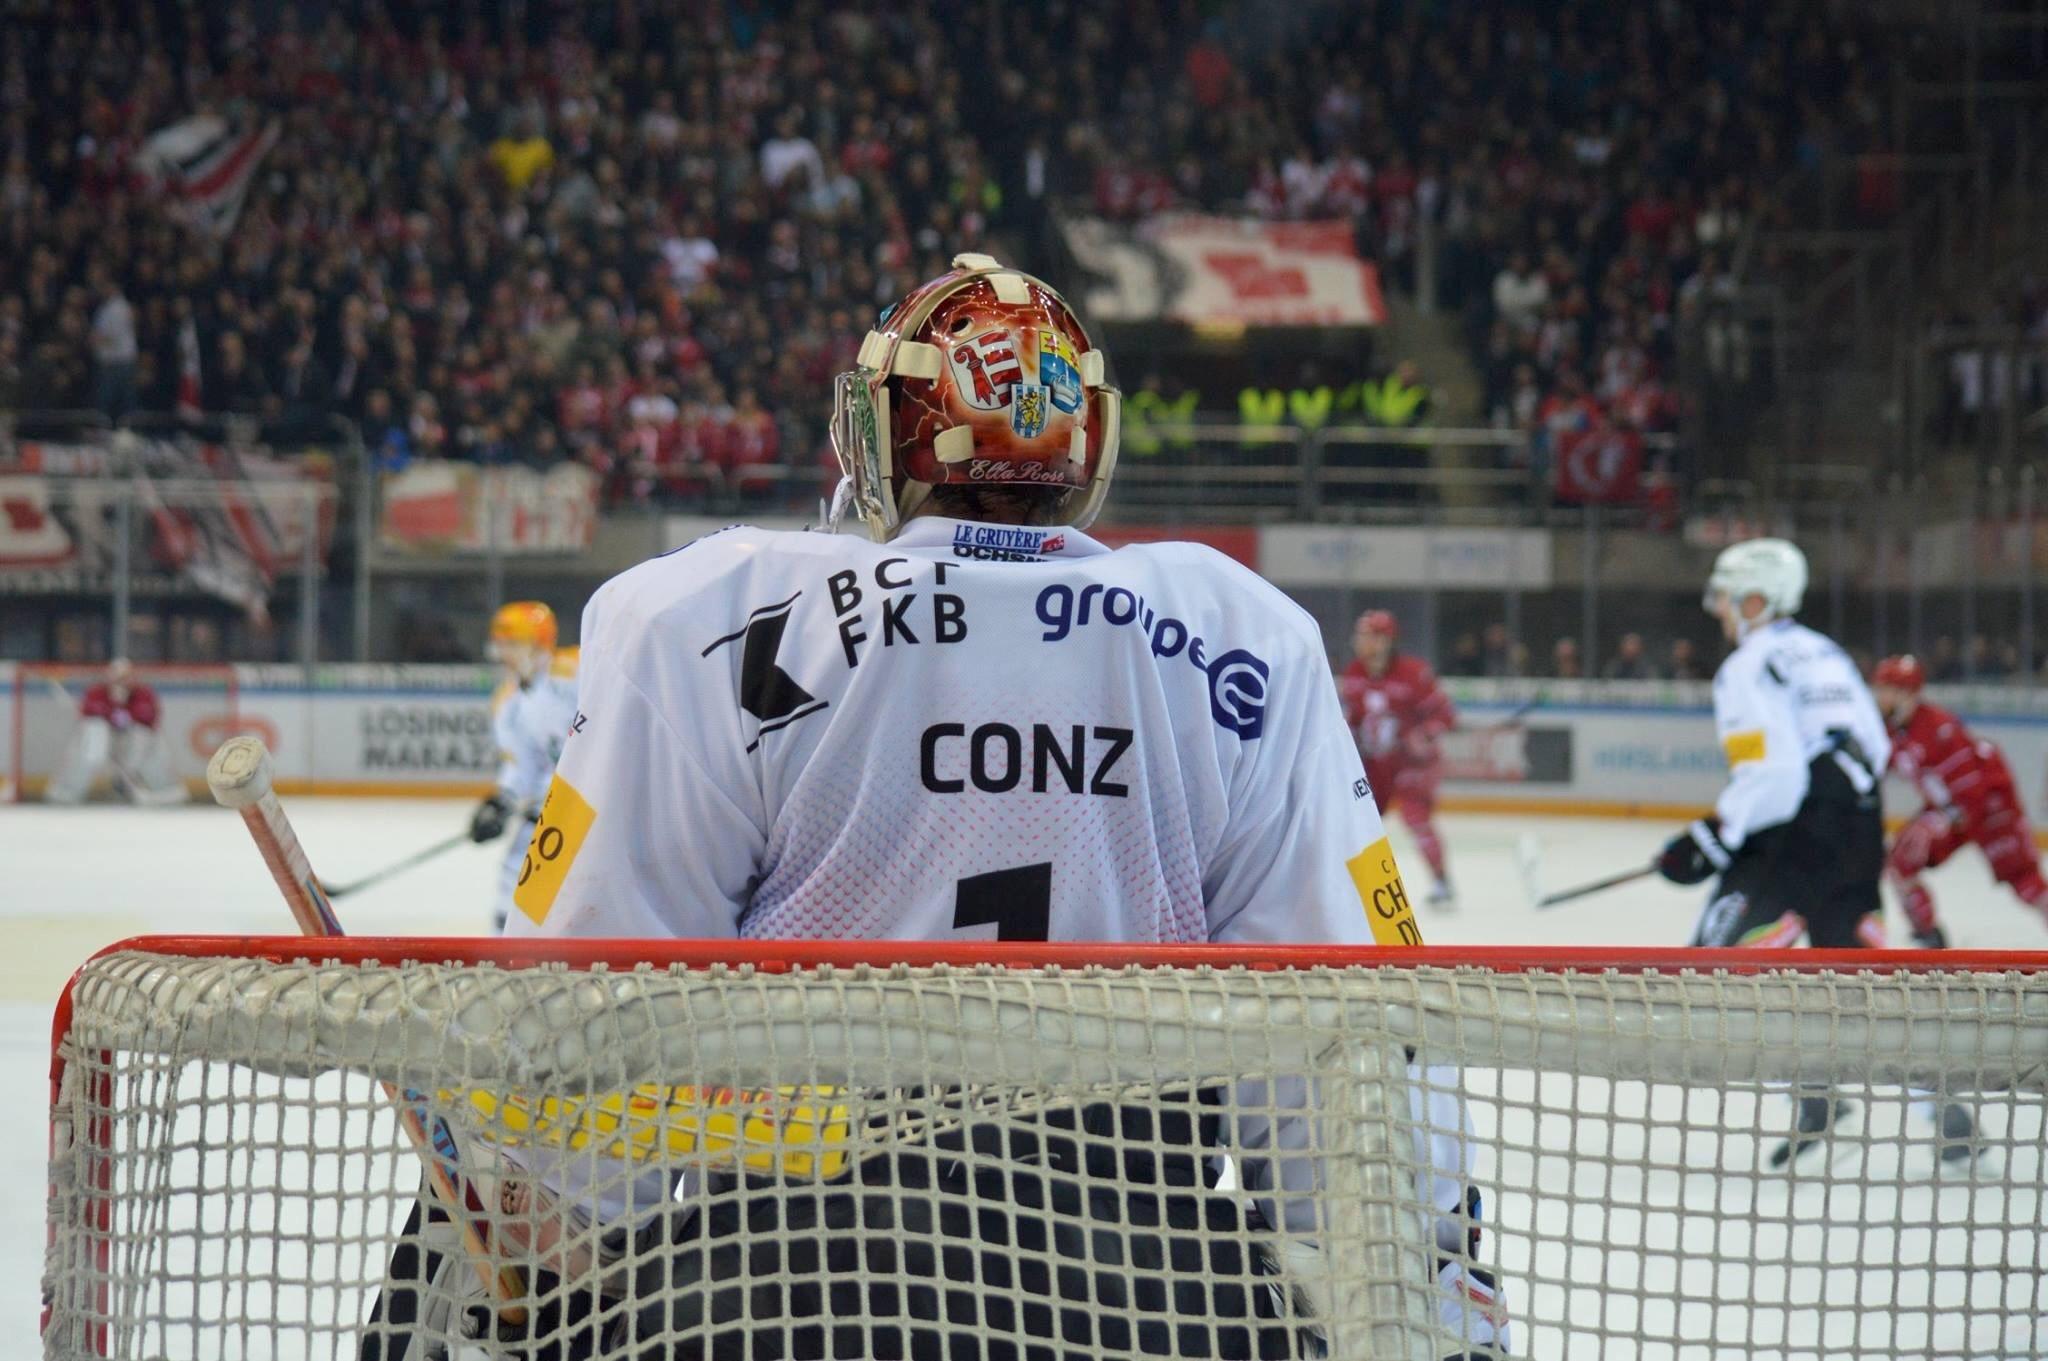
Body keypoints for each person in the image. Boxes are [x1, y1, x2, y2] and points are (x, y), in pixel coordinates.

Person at [377, 255, 1510, 1360]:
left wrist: (520, 1282)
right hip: (1141, 1279)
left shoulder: (716, 623)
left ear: (881, 438)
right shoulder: (1239, 639)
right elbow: (1350, 1050)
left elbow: (584, 1024)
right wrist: (1426, 1298)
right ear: (1084, 444)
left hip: (776, 1282)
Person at [1654, 541, 1970, 1166]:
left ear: (1753, 600)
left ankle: (1808, 1089)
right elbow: (1873, 748)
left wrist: (1712, 838)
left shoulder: (1747, 666)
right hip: (1856, 831)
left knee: (1710, 975)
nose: (1718, 610)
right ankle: (1942, 1109)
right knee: (1860, 978)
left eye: (1725, 597)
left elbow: (1773, 778)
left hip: (1793, 836)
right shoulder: (1825, 652)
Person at [1871, 654, 2048, 943]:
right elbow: (1881, 763)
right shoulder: (1894, 731)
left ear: (1907, 694)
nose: (1880, 697)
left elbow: (1971, 792)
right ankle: (1928, 935)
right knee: (1900, 862)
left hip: (1991, 810)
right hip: (1951, 808)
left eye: (1886, 689)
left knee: (2027, 883)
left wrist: (1940, 823)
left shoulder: (1940, 729)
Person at [470, 602, 580, 932]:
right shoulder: (508, 702)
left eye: (513, 644)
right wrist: (502, 800)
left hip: (606, 795)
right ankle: (509, 950)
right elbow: (523, 766)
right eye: (501, 645)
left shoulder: (579, 669)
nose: (504, 654)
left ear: (539, 644)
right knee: (517, 868)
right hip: (557, 804)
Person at [1340, 610, 1458, 906]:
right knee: (1360, 821)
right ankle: (1356, 884)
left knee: (1415, 817)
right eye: (1361, 636)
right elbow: (1350, 720)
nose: (1362, 642)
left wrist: (1423, 735)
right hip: (1373, 763)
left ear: (1386, 641)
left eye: (1370, 636)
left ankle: (1441, 881)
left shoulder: (1414, 673)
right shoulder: (1354, 673)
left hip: (1410, 763)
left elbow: (1445, 716)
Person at [45, 659, 184, 805]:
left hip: (134, 740)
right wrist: (111, 711)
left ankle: (165, 789)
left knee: (144, 739)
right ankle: (67, 790)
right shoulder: (96, 693)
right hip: (105, 740)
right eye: (118, 677)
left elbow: (150, 721)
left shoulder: (144, 694)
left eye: (125, 677)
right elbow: (87, 719)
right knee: (93, 733)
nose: (121, 681)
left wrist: (126, 713)